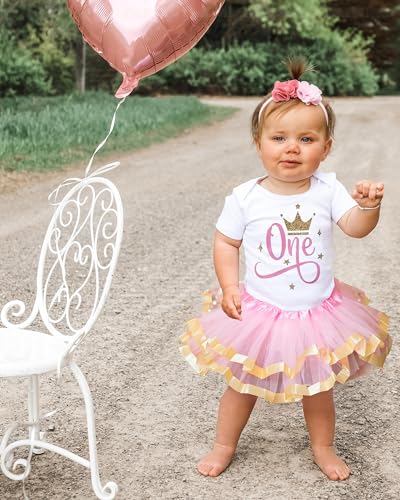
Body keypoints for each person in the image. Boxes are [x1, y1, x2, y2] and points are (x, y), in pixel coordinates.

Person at [180, 58, 392, 481]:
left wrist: (369, 207)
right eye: (279, 137)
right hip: (262, 309)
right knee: (241, 384)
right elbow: (226, 241)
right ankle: (223, 445)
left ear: (326, 147)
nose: (291, 147)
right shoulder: (245, 198)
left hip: (318, 312)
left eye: (306, 138)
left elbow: (355, 228)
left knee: (318, 387)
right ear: (259, 143)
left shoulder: (328, 189)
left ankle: (323, 447)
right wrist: (228, 285)